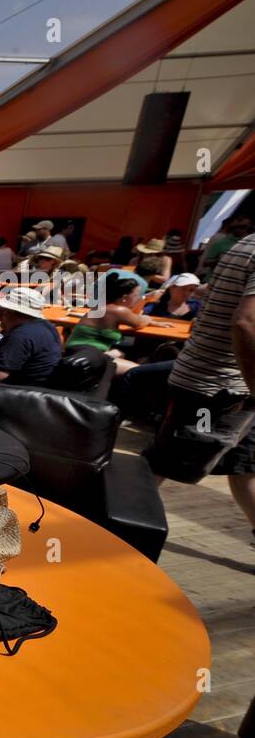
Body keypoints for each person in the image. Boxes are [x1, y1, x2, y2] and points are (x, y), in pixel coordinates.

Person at [143, 231, 255, 543]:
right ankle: (112, 533)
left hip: (228, 386)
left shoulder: (246, 242)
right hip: (220, 390)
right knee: (162, 464)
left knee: (244, 468)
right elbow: (245, 322)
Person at [63, 272, 149, 376]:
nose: (138, 298)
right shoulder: (118, 311)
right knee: (140, 372)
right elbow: (139, 323)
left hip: (78, 351)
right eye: (137, 295)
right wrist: (147, 314)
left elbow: (134, 317)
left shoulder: (105, 306)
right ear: (124, 298)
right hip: (88, 356)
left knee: (120, 353)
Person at [199, 215, 251, 282]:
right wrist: (221, 260)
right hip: (214, 281)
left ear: (248, 227)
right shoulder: (221, 242)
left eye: (243, 227)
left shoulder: (250, 244)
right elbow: (205, 262)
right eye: (236, 227)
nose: (239, 229)